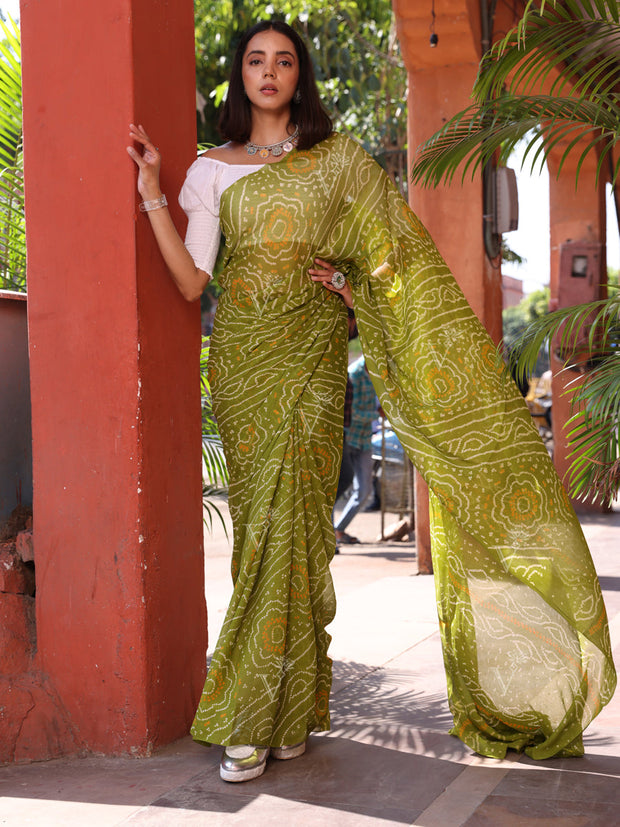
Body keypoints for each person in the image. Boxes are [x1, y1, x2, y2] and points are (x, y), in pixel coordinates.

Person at [127, 20, 616, 782]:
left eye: (284, 61)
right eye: (255, 60)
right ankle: (255, 715)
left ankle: (279, 714)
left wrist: (355, 290)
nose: (268, 72)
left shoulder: (341, 164)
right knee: (263, 528)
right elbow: (194, 283)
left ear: (300, 78)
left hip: (318, 360)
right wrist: (155, 193)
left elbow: (397, 260)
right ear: (239, 76)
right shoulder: (209, 171)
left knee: (304, 531)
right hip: (246, 366)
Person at [334, 355, 377, 546]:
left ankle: (337, 529)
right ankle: (332, 532)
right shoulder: (353, 374)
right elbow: (352, 413)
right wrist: (377, 413)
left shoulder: (377, 373)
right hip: (348, 438)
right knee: (340, 484)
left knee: (364, 490)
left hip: (364, 440)